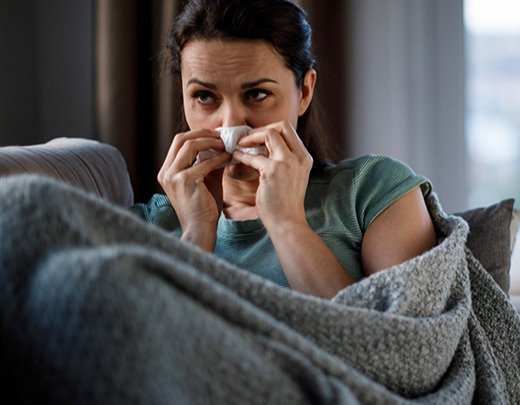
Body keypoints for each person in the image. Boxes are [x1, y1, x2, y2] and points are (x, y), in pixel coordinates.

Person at [133, 0, 437, 299]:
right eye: (204, 96)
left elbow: (398, 342)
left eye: (256, 94)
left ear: (304, 92)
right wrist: (196, 235)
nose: (230, 123)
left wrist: (287, 223)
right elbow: (149, 343)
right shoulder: (145, 226)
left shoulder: (373, 193)